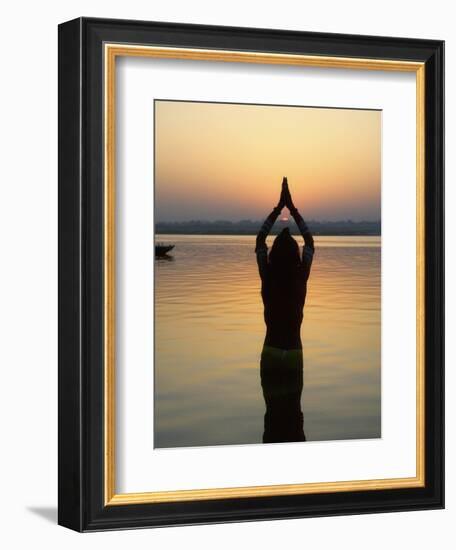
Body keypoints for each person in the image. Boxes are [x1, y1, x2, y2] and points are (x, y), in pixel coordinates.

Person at [255, 177, 314, 443]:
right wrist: (293, 208)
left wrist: (279, 208)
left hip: (270, 352)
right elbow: (311, 243)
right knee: (294, 417)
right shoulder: (300, 277)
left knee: (272, 418)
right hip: (293, 353)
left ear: (273, 255)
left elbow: (258, 242)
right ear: (295, 256)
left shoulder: (268, 276)